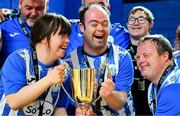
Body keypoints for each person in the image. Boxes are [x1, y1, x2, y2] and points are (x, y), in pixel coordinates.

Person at [65, 4, 135, 115]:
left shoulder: (122, 56)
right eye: (94, 24)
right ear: (82, 27)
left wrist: (109, 94)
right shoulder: (70, 63)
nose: (100, 28)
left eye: (105, 24)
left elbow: (121, 101)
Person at [0, 13, 71, 115]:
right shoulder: (19, 59)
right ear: (43, 37)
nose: (68, 40)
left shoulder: (64, 69)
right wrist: (49, 80)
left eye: (68, 36)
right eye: (62, 35)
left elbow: (58, 108)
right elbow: (14, 102)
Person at [136, 34, 180, 115]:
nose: (140, 61)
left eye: (146, 55)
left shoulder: (174, 87)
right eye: (138, 57)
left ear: (165, 56)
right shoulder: (152, 86)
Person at [66, 0, 130, 55]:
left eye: (101, 5)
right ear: (83, 8)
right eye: (90, 6)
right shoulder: (66, 28)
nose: (97, 10)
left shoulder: (122, 34)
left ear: (108, 8)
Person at [0, 0, 48, 68]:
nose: (34, 13)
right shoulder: (3, 27)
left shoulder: (56, 28)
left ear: (46, 6)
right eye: (29, 8)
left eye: (39, 9)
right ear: (20, 4)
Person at [126, 6, 154, 115]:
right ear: (127, 25)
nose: (136, 23)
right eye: (132, 19)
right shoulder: (120, 54)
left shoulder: (161, 52)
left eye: (141, 19)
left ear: (150, 24)